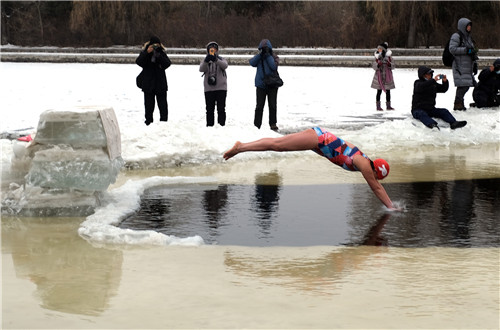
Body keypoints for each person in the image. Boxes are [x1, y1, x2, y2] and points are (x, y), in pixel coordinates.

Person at [223, 127, 399, 211]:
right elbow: (376, 187)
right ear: (377, 171)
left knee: (279, 146)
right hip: (319, 139)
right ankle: (241, 147)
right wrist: (391, 206)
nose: (375, 179)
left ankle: (241, 147)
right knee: (278, 145)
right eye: (377, 177)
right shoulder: (365, 164)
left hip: (320, 143)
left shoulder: (364, 161)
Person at [136, 36, 172, 125]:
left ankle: (164, 122)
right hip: (148, 83)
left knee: (163, 105)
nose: (155, 47)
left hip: (160, 83)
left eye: (157, 45)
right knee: (148, 105)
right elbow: (139, 62)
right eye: (153, 45)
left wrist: (158, 55)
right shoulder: (145, 52)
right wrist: (147, 53)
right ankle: (148, 122)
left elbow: (167, 64)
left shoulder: (161, 53)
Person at [249, 39, 280, 131]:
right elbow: (252, 63)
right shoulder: (259, 57)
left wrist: (268, 56)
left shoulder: (274, 57)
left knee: (272, 105)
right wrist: (260, 55)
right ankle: (257, 124)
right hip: (261, 85)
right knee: (259, 106)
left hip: (272, 84)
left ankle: (273, 123)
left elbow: (273, 66)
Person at [449, 17, 478, 111]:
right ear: (463, 26)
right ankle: (458, 104)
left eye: (470, 26)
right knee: (463, 85)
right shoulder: (456, 36)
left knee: (469, 84)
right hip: (460, 65)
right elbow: (452, 49)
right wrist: (466, 50)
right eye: (468, 26)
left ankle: (460, 103)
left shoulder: (468, 37)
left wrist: (474, 57)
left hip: (468, 65)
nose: (469, 27)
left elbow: (471, 50)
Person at [199, 41, 228, 127]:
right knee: (209, 109)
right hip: (209, 88)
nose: (213, 51)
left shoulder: (221, 59)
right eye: (211, 49)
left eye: (214, 49)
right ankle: (210, 126)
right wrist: (206, 61)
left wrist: (216, 59)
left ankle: (221, 125)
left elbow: (225, 66)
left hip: (221, 88)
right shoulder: (205, 60)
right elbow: (201, 69)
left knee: (221, 108)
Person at [371, 42, 395, 111]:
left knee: (388, 91)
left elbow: (393, 65)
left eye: (380, 49)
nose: (379, 50)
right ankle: (378, 106)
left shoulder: (389, 57)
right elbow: (373, 65)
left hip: (387, 76)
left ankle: (388, 105)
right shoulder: (376, 57)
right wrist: (378, 65)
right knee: (379, 91)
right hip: (379, 77)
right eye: (378, 49)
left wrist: (389, 64)